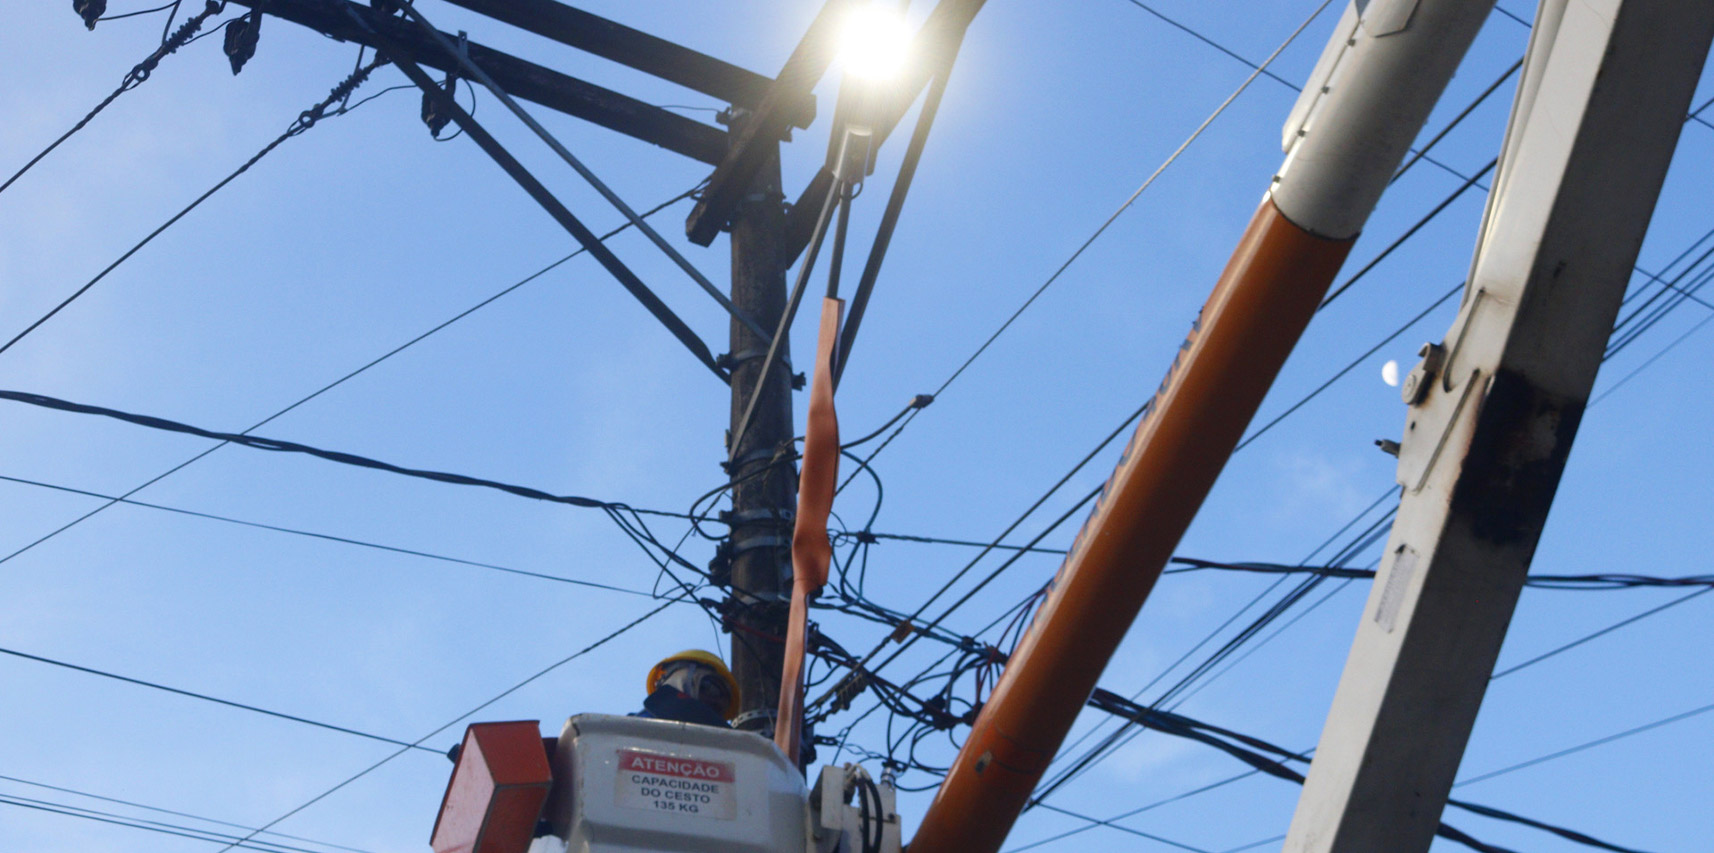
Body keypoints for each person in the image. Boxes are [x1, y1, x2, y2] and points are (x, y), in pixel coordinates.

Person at [635, 650, 741, 728]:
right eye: (713, 688)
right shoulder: (631, 728)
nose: (718, 702)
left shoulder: (727, 748)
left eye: (722, 707)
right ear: (683, 679)